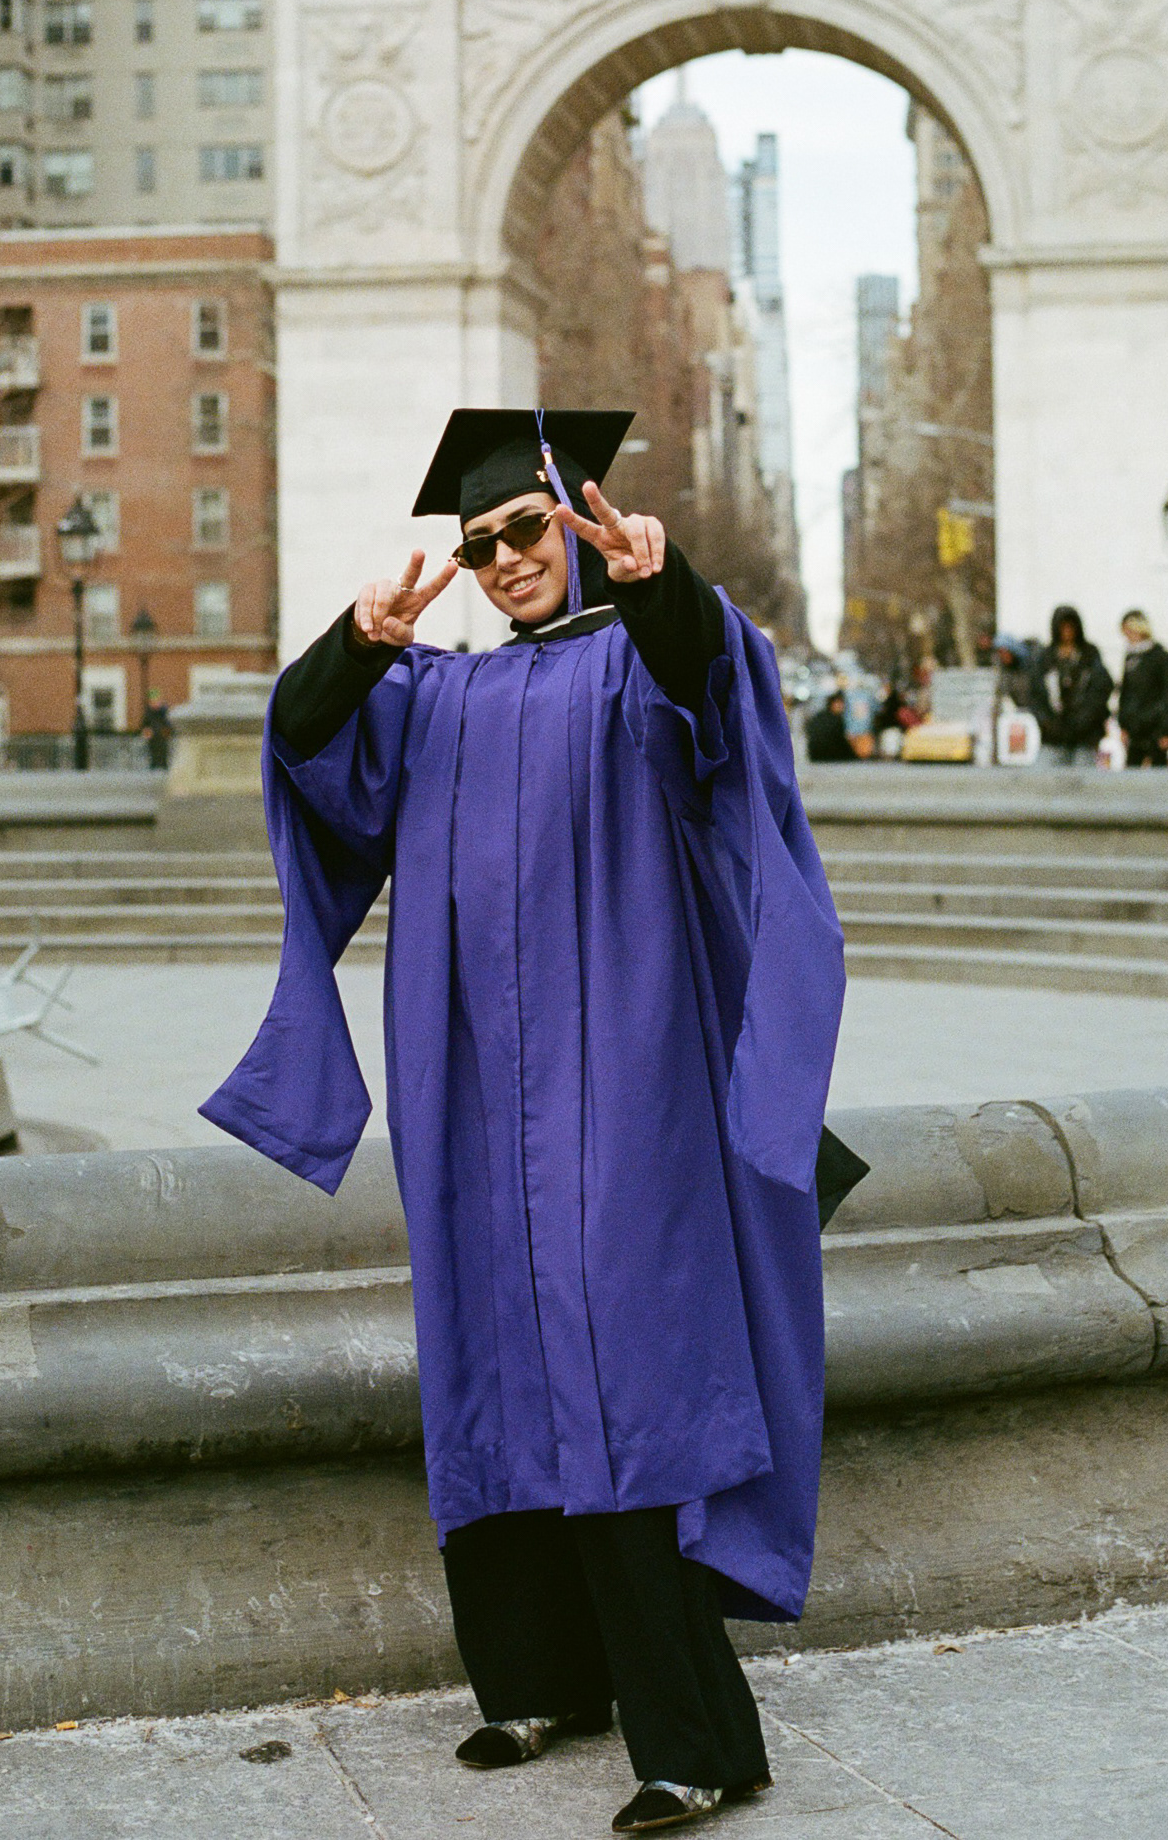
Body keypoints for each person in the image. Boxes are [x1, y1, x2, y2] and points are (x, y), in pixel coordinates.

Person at [203, 408, 848, 1835]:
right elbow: (307, 755)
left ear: (575, 523)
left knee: (618, 1363)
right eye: (480, 542)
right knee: (492, 1347)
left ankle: (695, 1738)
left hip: (623, 1086)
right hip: (474, 1089)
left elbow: (720, 703)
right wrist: (355, 644)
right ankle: (538, 1678)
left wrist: (657, 586)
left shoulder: (636, 668)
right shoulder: (440, 701)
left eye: (527, 531)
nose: (504, 561)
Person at [1026, 606, 1112, 768]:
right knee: (1046, 781)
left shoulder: (1089, 655)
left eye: (1070, 627)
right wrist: (1047, 722)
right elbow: (1036, 693)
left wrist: (1084, 720)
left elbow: (1100, 690)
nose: (1067, 632)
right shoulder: (1045, 657)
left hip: (1084, 736)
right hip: (1053, 736)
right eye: (1063, 627)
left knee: (1084, 782)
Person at [1117, 610, 1168, 768]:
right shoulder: (1131, 659)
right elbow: (1126, 695)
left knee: (1158, 776)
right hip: (1135, 731)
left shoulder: (1163, 659)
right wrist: (1123, 725)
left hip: (1156, 731)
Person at [804, 689, 855, 764]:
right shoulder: (836, 719)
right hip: (830, 756)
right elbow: (841, 741)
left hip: (815, 756)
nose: (842, 707)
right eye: (839, 704)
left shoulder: (818, 716)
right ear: (832, 704)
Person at [141, 694, 172, 770]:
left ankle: (164, 765)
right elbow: (144, 725)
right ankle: (154, 764)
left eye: (157, 702)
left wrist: (167, 732)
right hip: (152, 736)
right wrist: (146, 732)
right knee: (153, 751)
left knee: (163, 751)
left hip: (162, 735)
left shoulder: (164, 713)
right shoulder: (148, 713)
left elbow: (168, 724)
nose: (155, 704)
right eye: (153, 702)